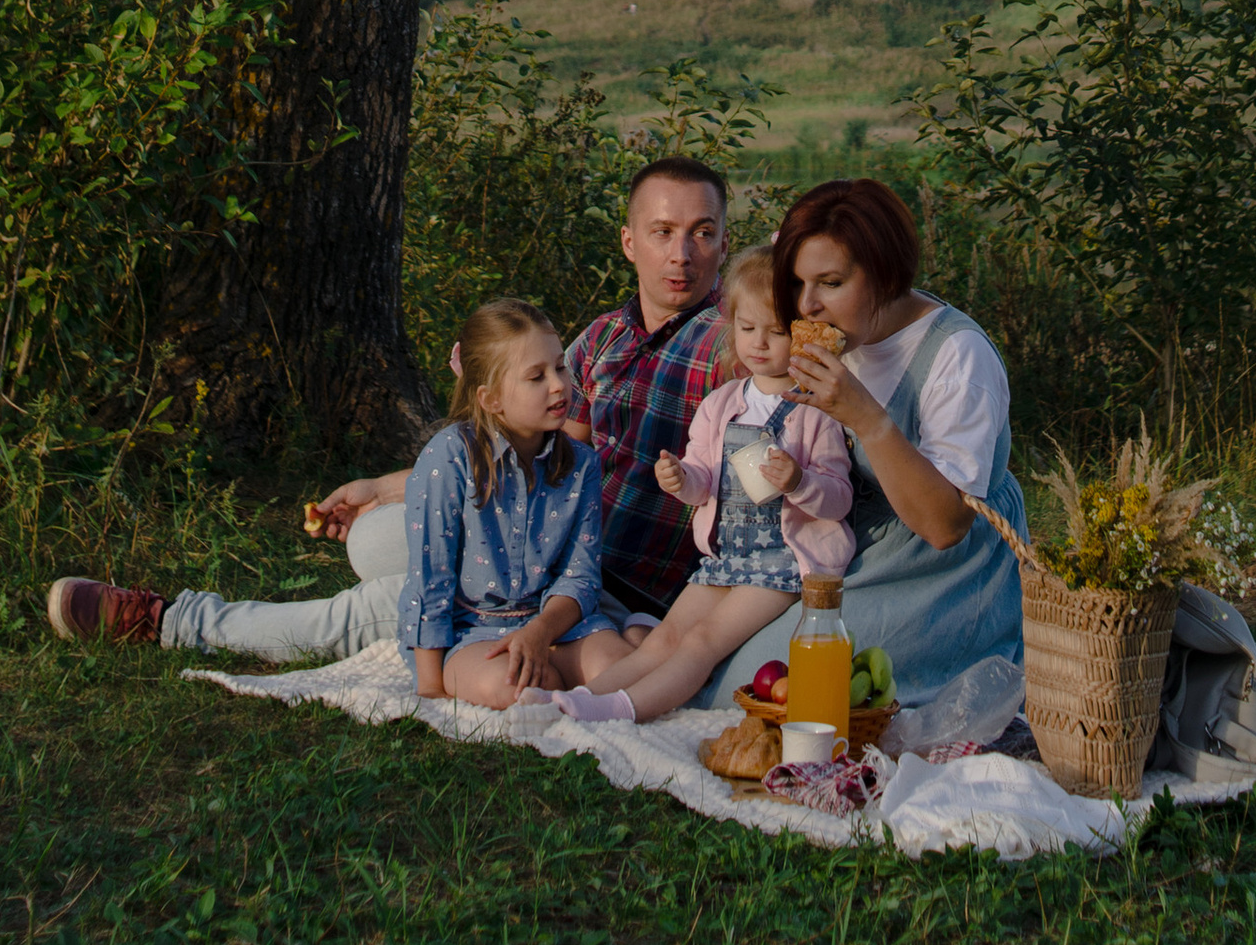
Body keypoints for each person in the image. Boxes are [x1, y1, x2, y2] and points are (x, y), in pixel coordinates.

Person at [41, 158, 729, 659]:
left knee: (380, 603)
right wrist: (379, 487)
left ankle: (168, 621)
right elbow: (515, 452)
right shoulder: (604, 338)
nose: (682, 254)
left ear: (725, 241)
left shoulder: (732, 344)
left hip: (605, 589)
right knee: (376, 537)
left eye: (702, 233)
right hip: (530, 543)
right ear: (629, 242)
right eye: (663, 232)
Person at [698, 175, 1028, 707]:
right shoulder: (835, 336)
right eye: (798, 283)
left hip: (937, 574)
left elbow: (946, 525)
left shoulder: (957, 358)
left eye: (830, 283)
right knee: (726, 676)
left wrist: (868, 419)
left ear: (884, 274)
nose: (806, 305)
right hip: (843, 547)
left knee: (774, 688)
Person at [527, 243, 855, 726]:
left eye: (776, 332)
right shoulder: (722, 404)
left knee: (701, 643)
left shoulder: (815, 412)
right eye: (747, 329)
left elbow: (839, 497)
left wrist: (800, 481)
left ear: (802, 336)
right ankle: (587, 695)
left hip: (784, 562)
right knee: (664, 637)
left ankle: (624, 708)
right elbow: (705, 481)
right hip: (726, 555)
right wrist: (682, 479)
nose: (759, 343)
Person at [397, 295, 622, 707]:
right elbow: (431, 576)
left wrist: (539, 633)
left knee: (624, 671)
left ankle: (578, 671)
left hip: (555, 628)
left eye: (560, 367)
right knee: (520, 687)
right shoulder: (447, 458)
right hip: (475, 631)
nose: (558, 385)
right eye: (535, 377)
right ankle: (550, 684)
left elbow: (581, 575)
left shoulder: (582, 464)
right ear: (490, 399)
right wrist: (430, 689)